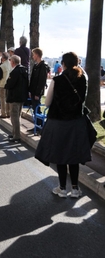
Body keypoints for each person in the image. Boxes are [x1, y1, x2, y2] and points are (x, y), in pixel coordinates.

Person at [35, 52, 91, 198]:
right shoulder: (83, 79)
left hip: (58, 122)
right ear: (77, 63)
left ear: (63, 64)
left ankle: (62, 188)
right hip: (76, 123)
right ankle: (75, 188)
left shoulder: (57, 80)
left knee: (60, 155)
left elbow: (47, 102)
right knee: (73, 156)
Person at [5, 55, 28, 142]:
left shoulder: (15, 72)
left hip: (14, 96)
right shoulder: (24, 70)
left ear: (13, 62)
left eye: (11, 61)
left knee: (14, 117)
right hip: (21, 96)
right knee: (17, 116)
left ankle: (16, 136)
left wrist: (6, 85)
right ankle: (14, 132)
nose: (10, 63)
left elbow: (10, 84)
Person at [28, 48, 48, 131]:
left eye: (33, 54)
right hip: (33, 90)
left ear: (37, 55)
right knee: (34, 108)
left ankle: (39, 126)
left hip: (37, 92)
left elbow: (41, 81)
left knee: (37, 108)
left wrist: (37, 93)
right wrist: (30, 90)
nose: (33, 56)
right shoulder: (36, 65)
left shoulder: (43, 66)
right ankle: (37, 125)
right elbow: (33, 79)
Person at [0, 52, 11, 118]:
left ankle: (3, 113)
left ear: (3, 58)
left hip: (2, 84)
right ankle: (8, 112)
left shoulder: (2, 66)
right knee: (8, 99)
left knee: (2, 99)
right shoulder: (11, 64)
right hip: (9, 84)